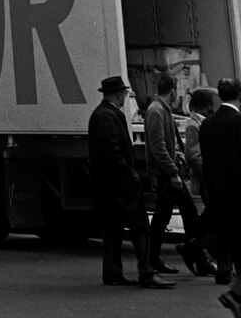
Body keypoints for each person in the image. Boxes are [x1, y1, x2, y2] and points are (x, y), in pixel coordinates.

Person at [87, 75, 171, 288]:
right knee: (139, 227)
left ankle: (113, 272)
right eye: (123, 92)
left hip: (109, 185)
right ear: (117, 94)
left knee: (113, 229)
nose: (125, 95)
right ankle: (146, 271)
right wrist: (130, 174)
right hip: (119, 185)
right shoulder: (107, 116)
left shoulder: (103, 114)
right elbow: (112, 152)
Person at [145, 73, 205, 275]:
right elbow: (158, 147)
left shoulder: (161, 109)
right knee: (188, 213)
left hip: (167, 172)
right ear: (173, 90)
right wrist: (173, 172)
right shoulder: (156, 111)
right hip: (166, 174)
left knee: (162, 217)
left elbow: (166, 144)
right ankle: (195, 254)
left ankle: (153, 259)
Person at [200, 76, 241, 318]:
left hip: (219, 198)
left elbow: (208, 164)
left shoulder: (208, 124)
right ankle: (235, 294)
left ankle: (236, 293)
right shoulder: (238, 123)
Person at [185, 89, 223, 280]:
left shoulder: (202, 122)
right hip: (204, 183)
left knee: (212, 220)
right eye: (210, 104)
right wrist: (212, 174)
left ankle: (197, 252)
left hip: (208, 181)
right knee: (214, 220)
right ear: (207, 105)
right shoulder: (194, 124)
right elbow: (193, 156)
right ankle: (195, 249)